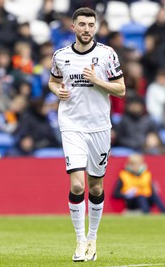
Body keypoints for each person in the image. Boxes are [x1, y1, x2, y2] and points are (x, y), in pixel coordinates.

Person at [48, 7, 126, 262]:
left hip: (99, 127)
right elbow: (53, 80)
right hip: (71, 124)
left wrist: (98, 81)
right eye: (81, 24)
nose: (86, 29)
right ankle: (80, 241)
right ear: (73, 27)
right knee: (77, 184)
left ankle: (93, 237)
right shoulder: (61, 56)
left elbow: (121, 89)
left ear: (96, 27)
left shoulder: (107, 55)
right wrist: (55, 91)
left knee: (95, 186)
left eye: (90, 25)